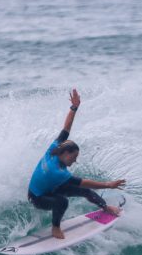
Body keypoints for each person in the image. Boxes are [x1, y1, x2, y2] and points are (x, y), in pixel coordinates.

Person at [27, 89, 126, 239]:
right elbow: (83, 182)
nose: (75, 161)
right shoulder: (58, 172)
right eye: (73, 158)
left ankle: (105, 207)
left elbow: (66, 129)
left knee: (85, 192)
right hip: (37, 198)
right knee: (62, 201)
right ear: (65, 154)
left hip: (50, 188)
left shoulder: (54, 149)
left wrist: (74, 108)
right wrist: (108, 184)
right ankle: (55, 228)